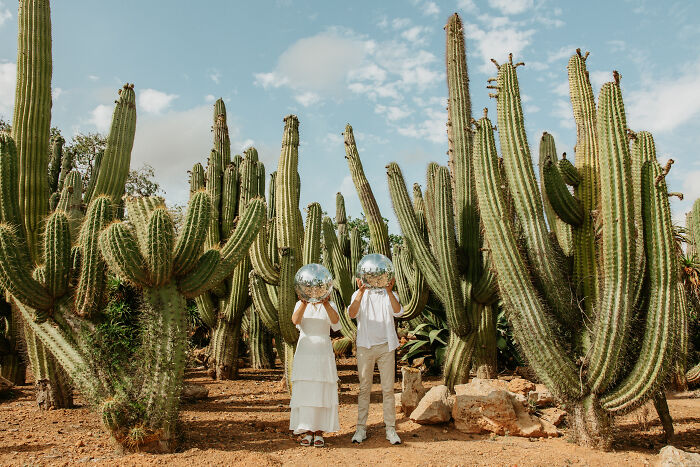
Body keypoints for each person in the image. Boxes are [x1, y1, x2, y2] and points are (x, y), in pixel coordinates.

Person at [347, 277, 404, 445]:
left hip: (386, 347)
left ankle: (390, 429)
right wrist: (361, 292)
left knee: (388, 390)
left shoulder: (390, 294)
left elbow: (398, 311)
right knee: (364, 389)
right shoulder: (358, 294)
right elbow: (351, 313)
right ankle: (361, 429)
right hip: (365, 346)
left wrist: (388, 291)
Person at [289, 294, 342, 447]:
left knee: (320, 388)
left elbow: (335, 321)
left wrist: (325, 303)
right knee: (307, 389)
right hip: (305, 349)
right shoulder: (300, 304)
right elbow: (295, 320)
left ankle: (319, 431)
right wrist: (304, 303)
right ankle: (307, 430)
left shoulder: (330, 304)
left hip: (322, 350)